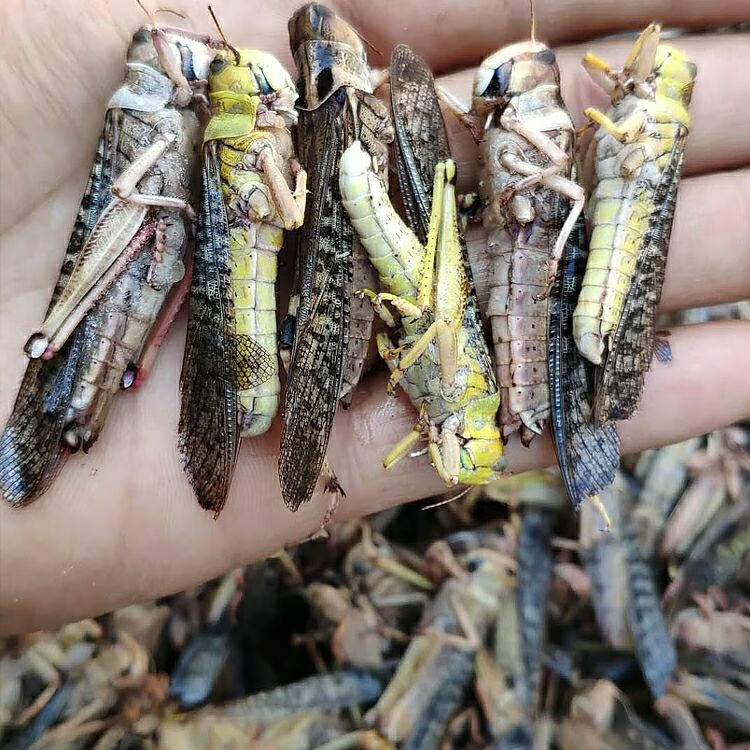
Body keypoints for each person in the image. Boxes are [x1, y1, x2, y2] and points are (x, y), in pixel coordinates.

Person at [0, 0, 748, 634]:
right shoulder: (231, 129)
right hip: (368, 265)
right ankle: (70, 396)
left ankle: (84, 399)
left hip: (418, 267)